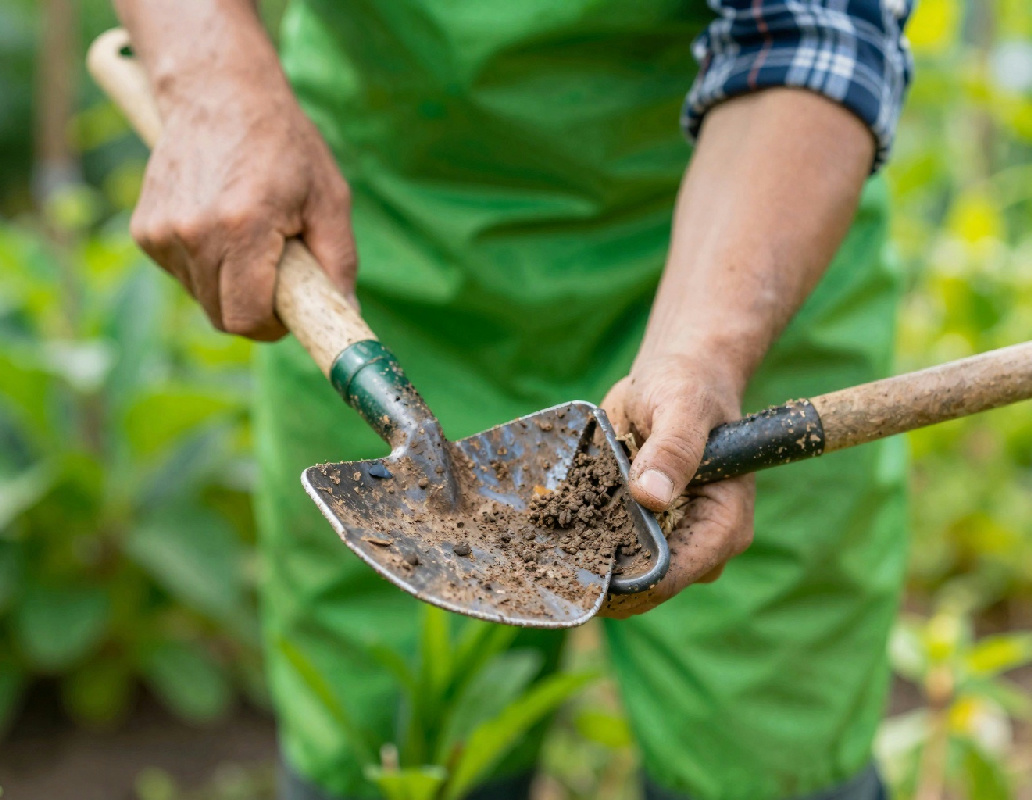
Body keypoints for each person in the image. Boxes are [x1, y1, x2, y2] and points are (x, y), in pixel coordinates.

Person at [111, 1, 913, 798]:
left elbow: (818, 34)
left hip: (748, 246)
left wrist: (708, 347)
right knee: (388, 752)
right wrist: (209, 78)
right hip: (385, 242)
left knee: (768, 752)